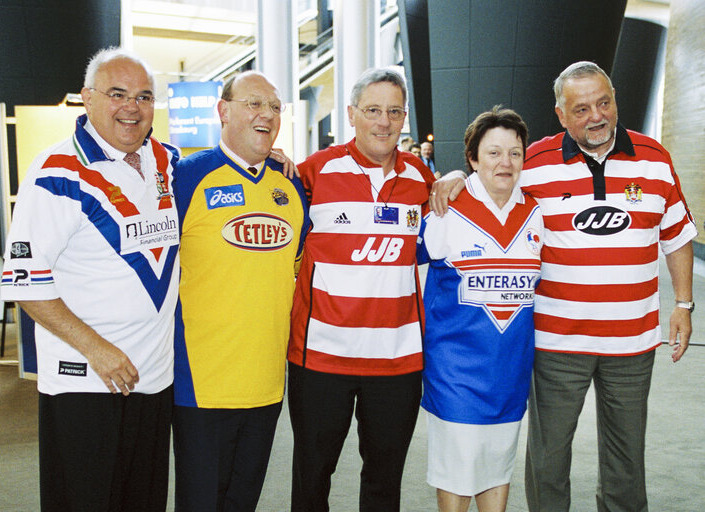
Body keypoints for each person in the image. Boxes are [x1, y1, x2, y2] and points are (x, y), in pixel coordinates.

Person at [429, 61, 697, 512]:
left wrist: (684, 304)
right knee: (548, 458)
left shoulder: (655, 158)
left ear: (614, 99)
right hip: (557, 342)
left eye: (604, 102)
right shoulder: (533, 161)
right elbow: (491, 174)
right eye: (581, 108)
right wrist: (454, 176)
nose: (596, 116)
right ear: (560, 114)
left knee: (626, 458)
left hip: (632, 341)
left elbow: (677, 235)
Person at [0, 47, 179, 512]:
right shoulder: (55, 171)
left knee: (142, 501)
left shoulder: (166, 161)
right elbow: (24, 281)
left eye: (143, 96)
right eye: (117, 94)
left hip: (153, 379)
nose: (131, 107)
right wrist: (98, 351)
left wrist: (274, 156)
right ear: (87, 98)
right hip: (87, 382)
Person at [287, 67, 435, 511]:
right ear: (351, 114)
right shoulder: (313, 172)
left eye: (394, 111)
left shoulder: (422, 181)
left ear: (404, 117)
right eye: (373, 110)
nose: (384, 122)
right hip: (321, 358)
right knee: (311, 478)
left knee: (384, 485)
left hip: (397, 360)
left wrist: (451, 180)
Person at [171, 70, 309, 511]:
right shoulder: (185, 179)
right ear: (223, 110)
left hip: (266, 382)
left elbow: (297, 266)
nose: (266, 114)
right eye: (254, 103)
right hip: (202, 384)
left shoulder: (290, 186)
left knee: (242, 500)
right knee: (201, 502)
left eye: (274, 106)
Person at [418, 106, 541, 512]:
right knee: (456, 475)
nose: (505, 162)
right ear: (471, 158)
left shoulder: (536, 212)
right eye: (493, 152)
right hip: (457, 375)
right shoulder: (445, 210)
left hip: (509, 373)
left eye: (515, 153)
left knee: (496, 471)